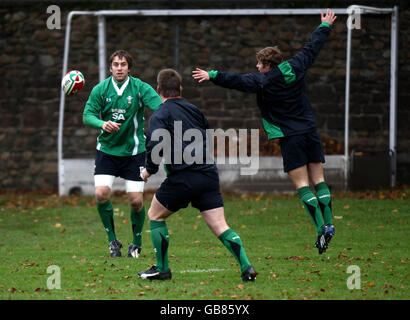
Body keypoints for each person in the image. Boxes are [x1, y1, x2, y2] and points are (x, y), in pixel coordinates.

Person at [192, 9, 337, 254]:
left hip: (290, 137)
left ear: (268, 65)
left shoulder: (262, 81)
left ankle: (320, 229)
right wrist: (324, 26)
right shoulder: (296, 66)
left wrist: (212, 75)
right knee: (319, 180)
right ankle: (330, 223)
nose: (257, 67)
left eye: (259, 63)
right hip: (310, 131)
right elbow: (312, 48)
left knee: (302, 186)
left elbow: (236, 80)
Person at [137, 68, 257, 281]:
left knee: (155, 215)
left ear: (158, 91)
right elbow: (207, 137)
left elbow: (155, 144)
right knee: (221, 226)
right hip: (208, 174)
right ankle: (246, 267)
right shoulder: (194, 110)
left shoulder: (160, 115)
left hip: (183, 176)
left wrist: (148, 171)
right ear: (180, 89)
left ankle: (162, 269)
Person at [83, 50, 162, 258]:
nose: (119, 68)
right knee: (101, 194)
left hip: (134, 152)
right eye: (116, 64)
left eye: (123, 64)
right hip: (107, 152)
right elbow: (87, 115)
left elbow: (160, 108)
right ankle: (112, 241)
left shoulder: (139, 88)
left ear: (129, 67)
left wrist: (162, 124)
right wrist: (102, 123)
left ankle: (135, 243)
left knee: (136, 201)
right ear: (110, 67)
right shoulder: (101, 89)